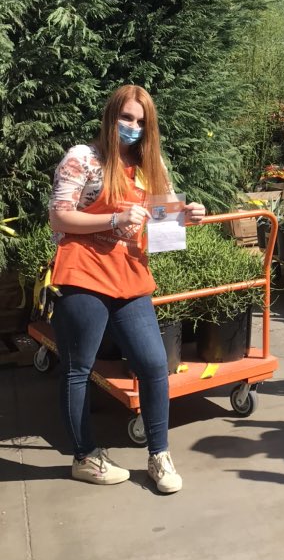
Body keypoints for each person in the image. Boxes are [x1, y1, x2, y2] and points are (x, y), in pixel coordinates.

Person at [48, 85, 206, 493]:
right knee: (78, 369)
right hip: (82, 274)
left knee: (154, 366)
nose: (133, 127)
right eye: (127, 118)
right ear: (111, 116)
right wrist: (113, 220)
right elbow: (60, 219)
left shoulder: (153, 168)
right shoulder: (83, 159)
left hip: (131, 277)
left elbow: (163, 227)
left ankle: (159, 455)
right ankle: (85, 457)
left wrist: (186, 217)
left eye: (141, 121)